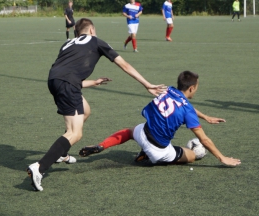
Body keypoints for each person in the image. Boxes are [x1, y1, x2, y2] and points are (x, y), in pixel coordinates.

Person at [27, 18, 166, 192]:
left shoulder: (67, 44)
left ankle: (61, 154)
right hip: (68, 84)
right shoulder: (97, 41)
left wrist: (93, 82)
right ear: (92, 30)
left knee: (85, 110)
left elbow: (66, 75)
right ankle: (39, 168)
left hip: (54, 80)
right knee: (75, 133)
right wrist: (147, 84)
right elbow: (124, 64)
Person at [79, 71, 241, 168]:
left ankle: (101, 145)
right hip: (159, 151)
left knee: (129, 131)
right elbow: (204, 139)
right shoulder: (187, 109)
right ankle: (149, 155)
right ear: (191, 88)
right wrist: (222, 158)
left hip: (143, 133)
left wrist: (205, 117)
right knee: (192, 155)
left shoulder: (169, 90)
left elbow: (186, 107)